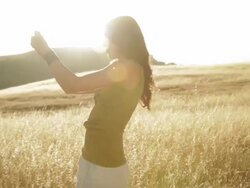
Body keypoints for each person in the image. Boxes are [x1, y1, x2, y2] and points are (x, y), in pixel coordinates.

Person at [31, 16, 154, 188]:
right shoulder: (124, 67)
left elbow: (72, 85)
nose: (105, 45)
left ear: (121, 39)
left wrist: (47, 53)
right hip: (93, 162)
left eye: (108, 39)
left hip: (105, 169)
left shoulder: (126, 68)